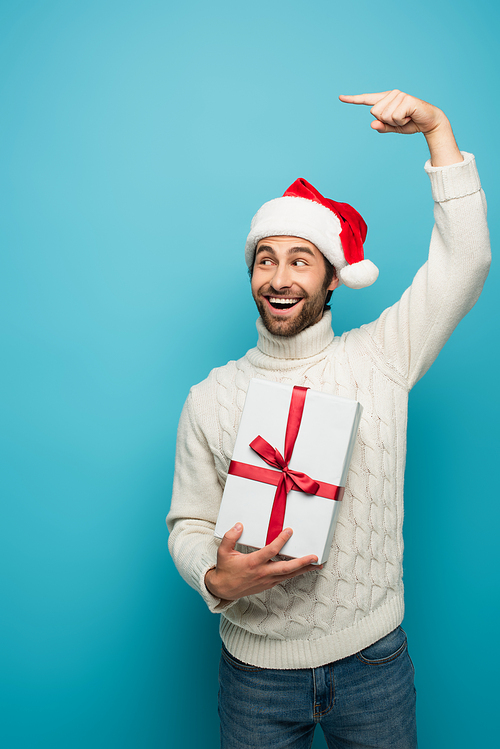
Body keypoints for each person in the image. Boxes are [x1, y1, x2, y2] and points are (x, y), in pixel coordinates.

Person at [166, 90, 491, 749]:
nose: (279, 277)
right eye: (266, 258)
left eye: (300, 259)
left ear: (332, 278)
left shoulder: (384, 356)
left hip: (373, 660)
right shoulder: (211, 395)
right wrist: (212, 574)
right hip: (255, 672)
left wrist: (438, 132)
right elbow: (188, 522)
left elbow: (467, 262)